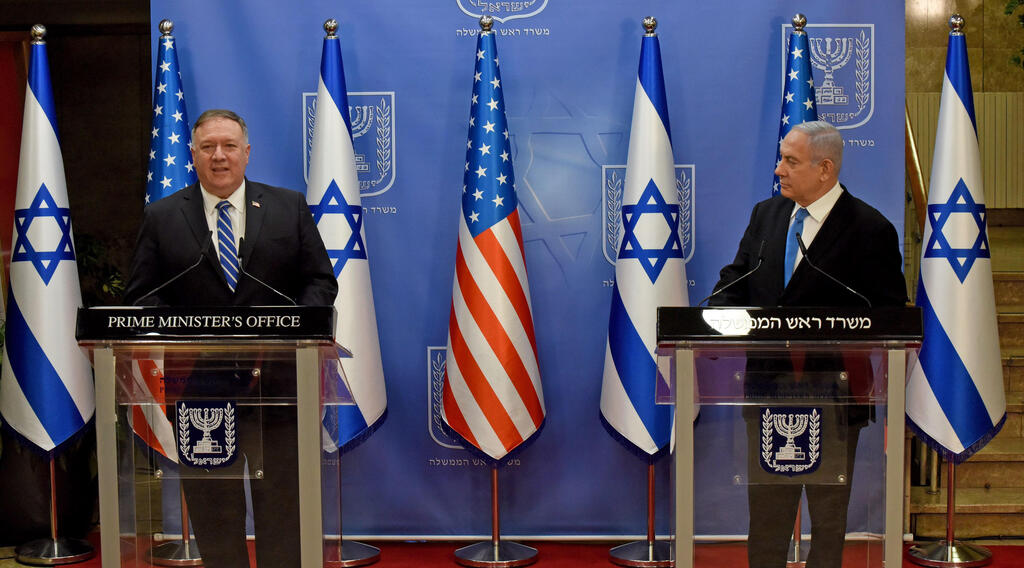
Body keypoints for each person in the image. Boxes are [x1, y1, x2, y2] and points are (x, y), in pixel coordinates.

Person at [123, 109, 337, 568]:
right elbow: (141, 295)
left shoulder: (288, 206)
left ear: (246, 152)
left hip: (279, 385)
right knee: (214, 509)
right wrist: (189, 330)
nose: (219, 156)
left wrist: (287, 325)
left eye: (229, 146)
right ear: (193, 155)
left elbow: (320, 282)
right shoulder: (162, 217)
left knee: (282, 507)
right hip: (201, 389)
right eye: (208, 147)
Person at [708, 120, 907, 568]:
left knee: (829, 519)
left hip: (834, 395)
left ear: (825, 169)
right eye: (781, 158)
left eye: (790, 161)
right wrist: (710, 317)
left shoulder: (870, 229)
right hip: (767, 388)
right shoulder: (767, 215)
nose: (779, 169)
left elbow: (890, 316)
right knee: (767, 518)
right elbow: (737, 278)